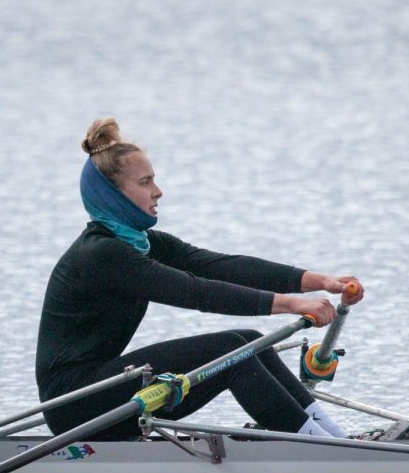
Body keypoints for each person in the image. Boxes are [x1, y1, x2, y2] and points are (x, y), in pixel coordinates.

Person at [35, 117, 364, 441]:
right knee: (231, 352)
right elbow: (193, 291)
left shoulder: (141, 243)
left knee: (250, 340)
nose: (158, 191)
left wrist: (319, 281)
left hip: (106, 390)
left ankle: (336, 440)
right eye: (146, 181)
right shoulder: (102, 254)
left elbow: (221, 266)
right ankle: (320, 448)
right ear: (112, 194)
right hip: (75, 406)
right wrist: (291, 304)